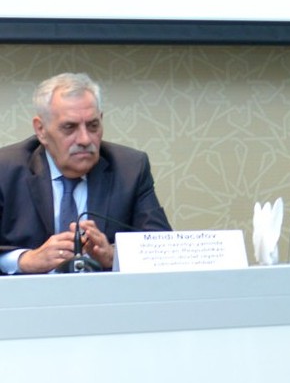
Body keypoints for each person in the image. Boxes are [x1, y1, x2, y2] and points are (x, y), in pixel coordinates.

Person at [0, 74, 168, 275]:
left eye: (93, 126)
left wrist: (114, 256)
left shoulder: (130, 168)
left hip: (104, 293)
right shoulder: (5, 170)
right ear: (41, 130)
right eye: (69, 127)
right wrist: (23, 260)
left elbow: (162, 251)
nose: (84, 139)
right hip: (25, 294)